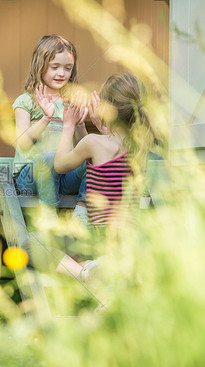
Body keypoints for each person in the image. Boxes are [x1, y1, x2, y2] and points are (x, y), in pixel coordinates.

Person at [52, 71, 154, 280]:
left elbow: (60, 164)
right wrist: (94, 126)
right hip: (128, 239)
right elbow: (100, 153)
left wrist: (69, 125)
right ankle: (103, 266)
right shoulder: (142, 148)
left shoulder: (95, 144)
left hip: (98, 237)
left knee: (32, 243)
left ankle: (84, 273)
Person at [12, 34, 92, 220]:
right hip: (30, 178)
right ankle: (49, 218)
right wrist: (46, 118)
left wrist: (79, 124)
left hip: (64, 177)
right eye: (55, 67)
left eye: (67, 68)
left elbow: (82, 146)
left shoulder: (70, 104)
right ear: (40, 66)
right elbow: (22, 142)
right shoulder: (26, 101)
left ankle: (82, 213)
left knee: (94, 155)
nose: (61, 73)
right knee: (49, 157)